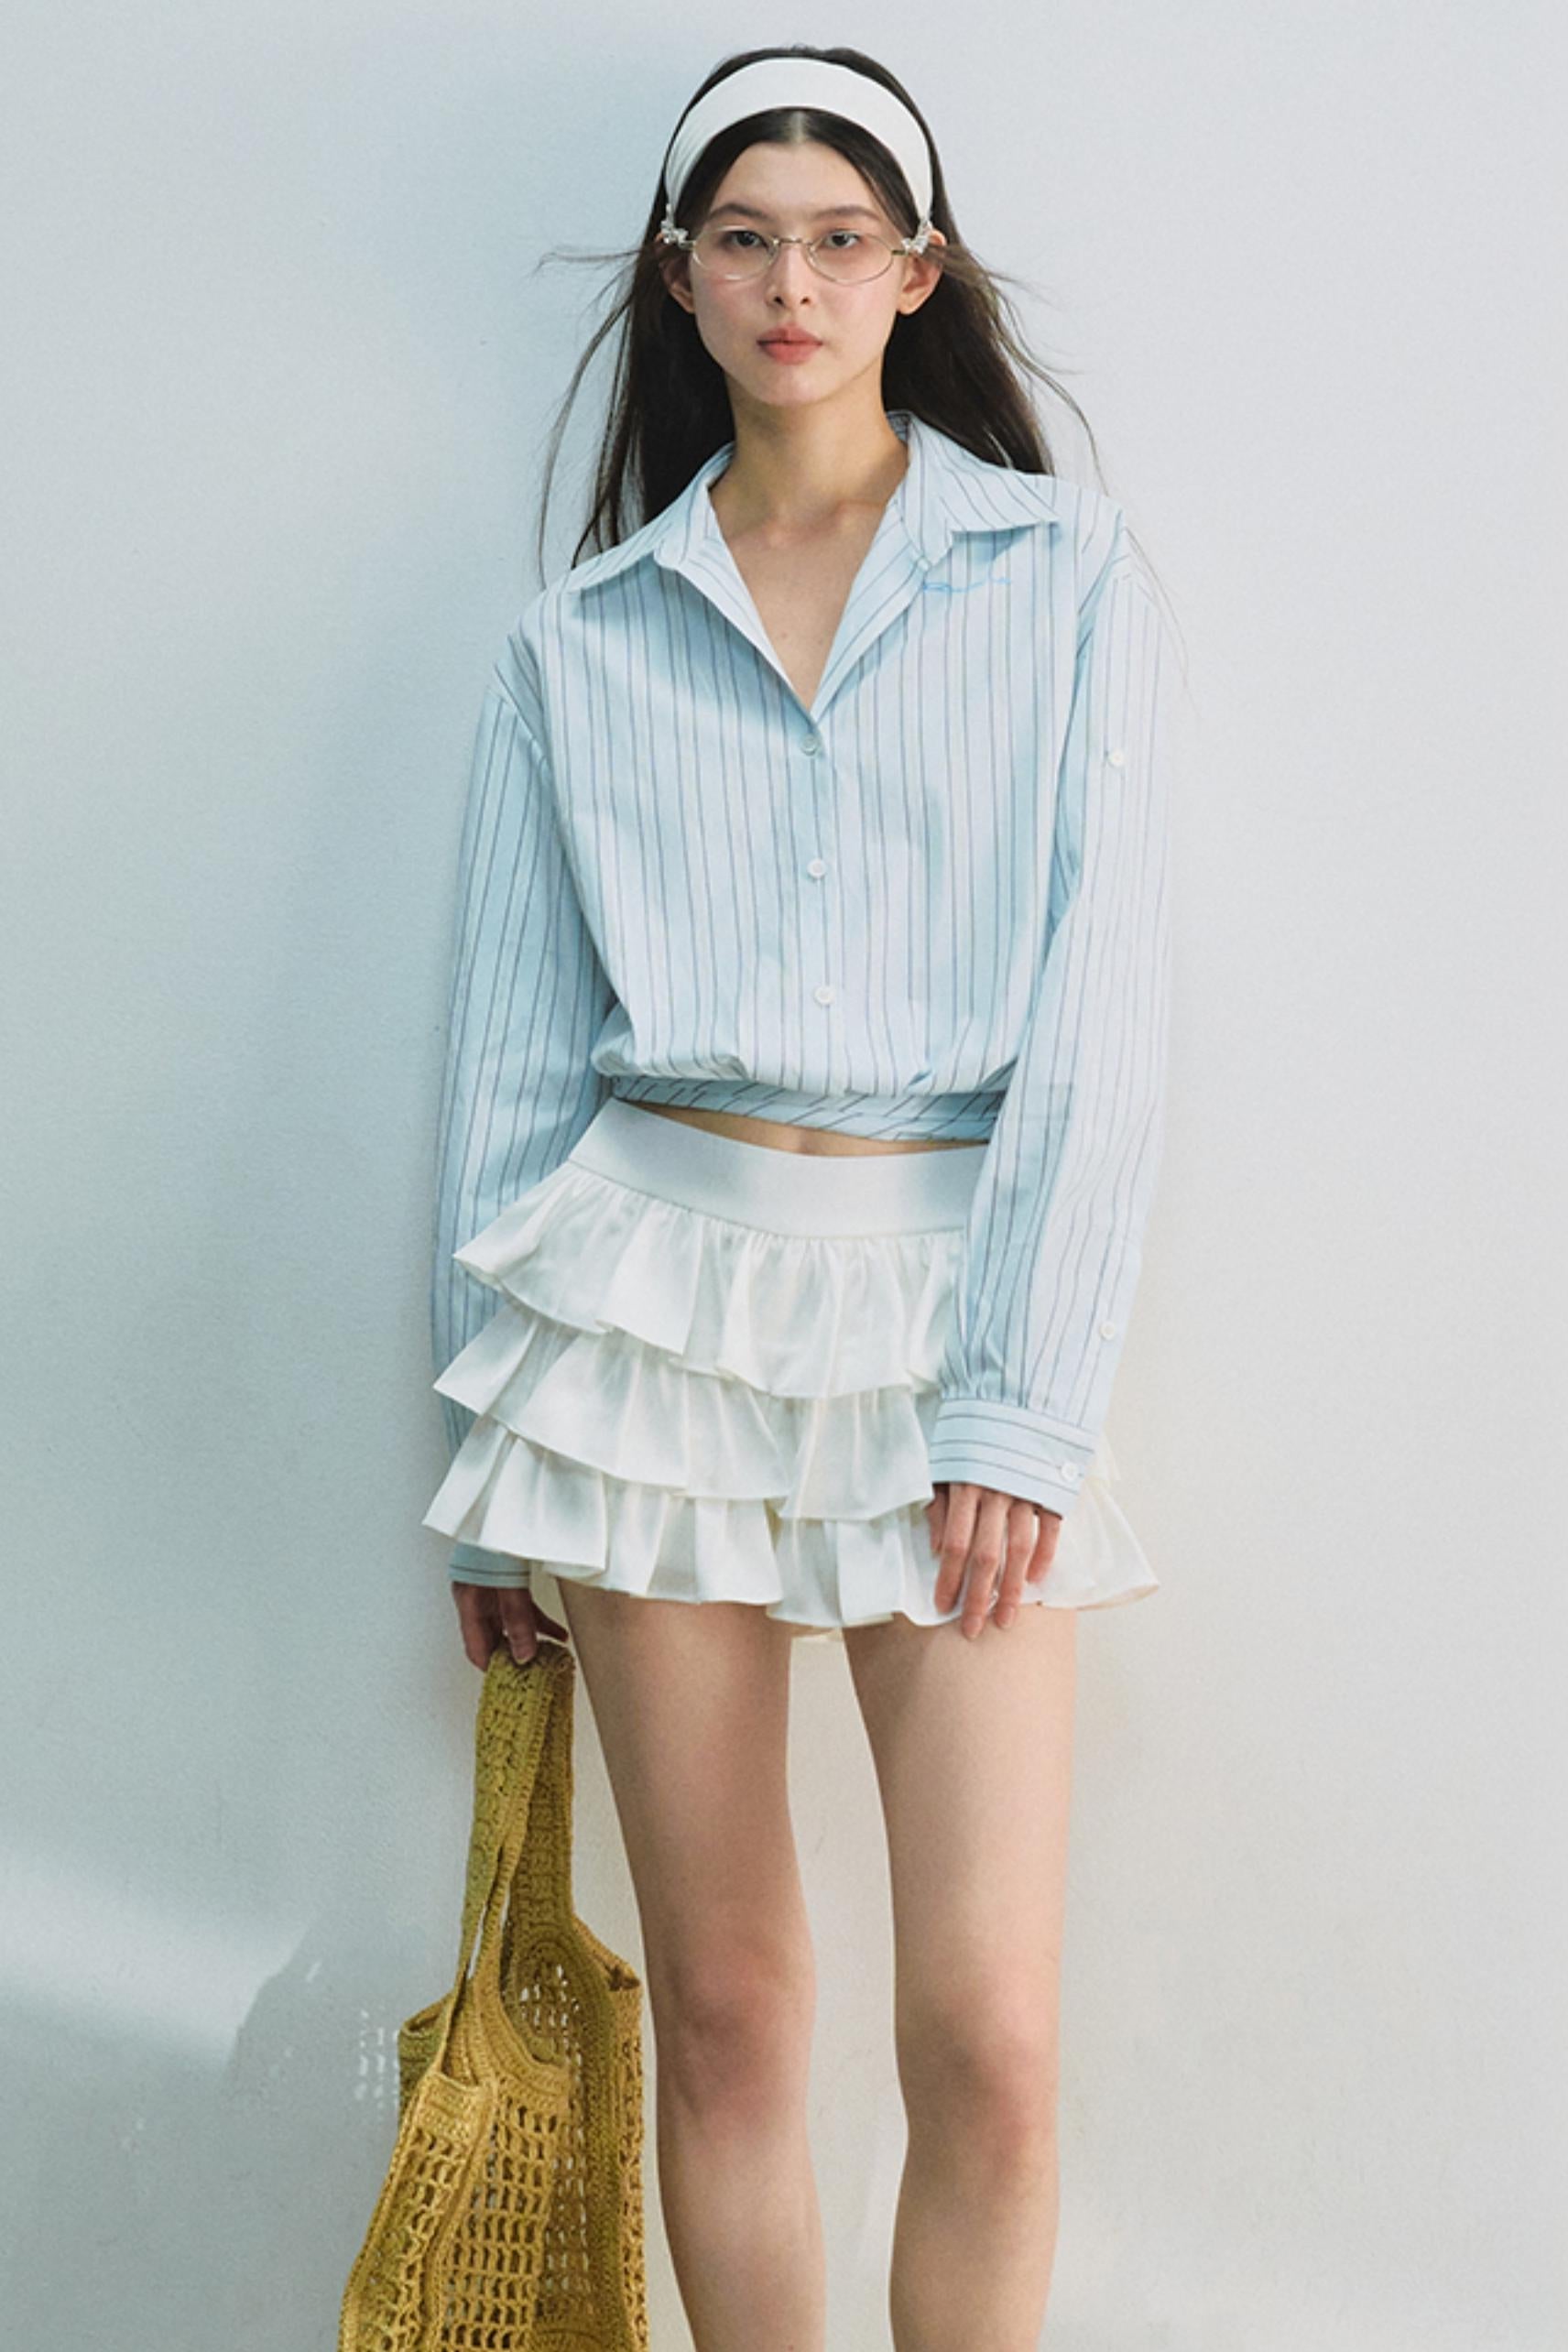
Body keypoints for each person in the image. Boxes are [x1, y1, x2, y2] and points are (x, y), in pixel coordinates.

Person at [421, 42, 1177, 2350]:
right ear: (681, 279)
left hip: (952, 1312)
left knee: (992, 2036)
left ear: (915, 274)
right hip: (638, 1338)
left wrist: (1021, 1403)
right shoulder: (578, 641)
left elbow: (1106, 1015)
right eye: (744, 239)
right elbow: (510, 1067)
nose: (792, 284)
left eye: (842, 240)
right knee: (735, 2012)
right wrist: (481, 1464)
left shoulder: (1062, 577)